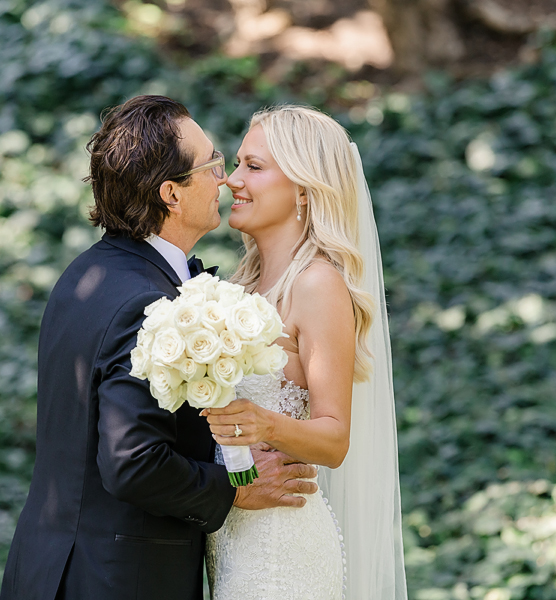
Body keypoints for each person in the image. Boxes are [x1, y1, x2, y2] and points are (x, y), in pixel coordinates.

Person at [0, 95, 320, 600]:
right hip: (117, 579)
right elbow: (133, 460)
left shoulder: (85, 275)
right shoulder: (146, 303)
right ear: (171, 193)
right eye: (214, 164)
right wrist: (234, 489)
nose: (227, 179)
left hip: (49, 569)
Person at [203, 106, 408, 599]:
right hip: (230, 543)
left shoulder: (317, 284)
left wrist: (265, 424)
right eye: (237, 164)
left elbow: (335, 439)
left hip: (282, 555)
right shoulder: (237, 287)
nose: (232, 180)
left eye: (253, 166)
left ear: (302, 188)